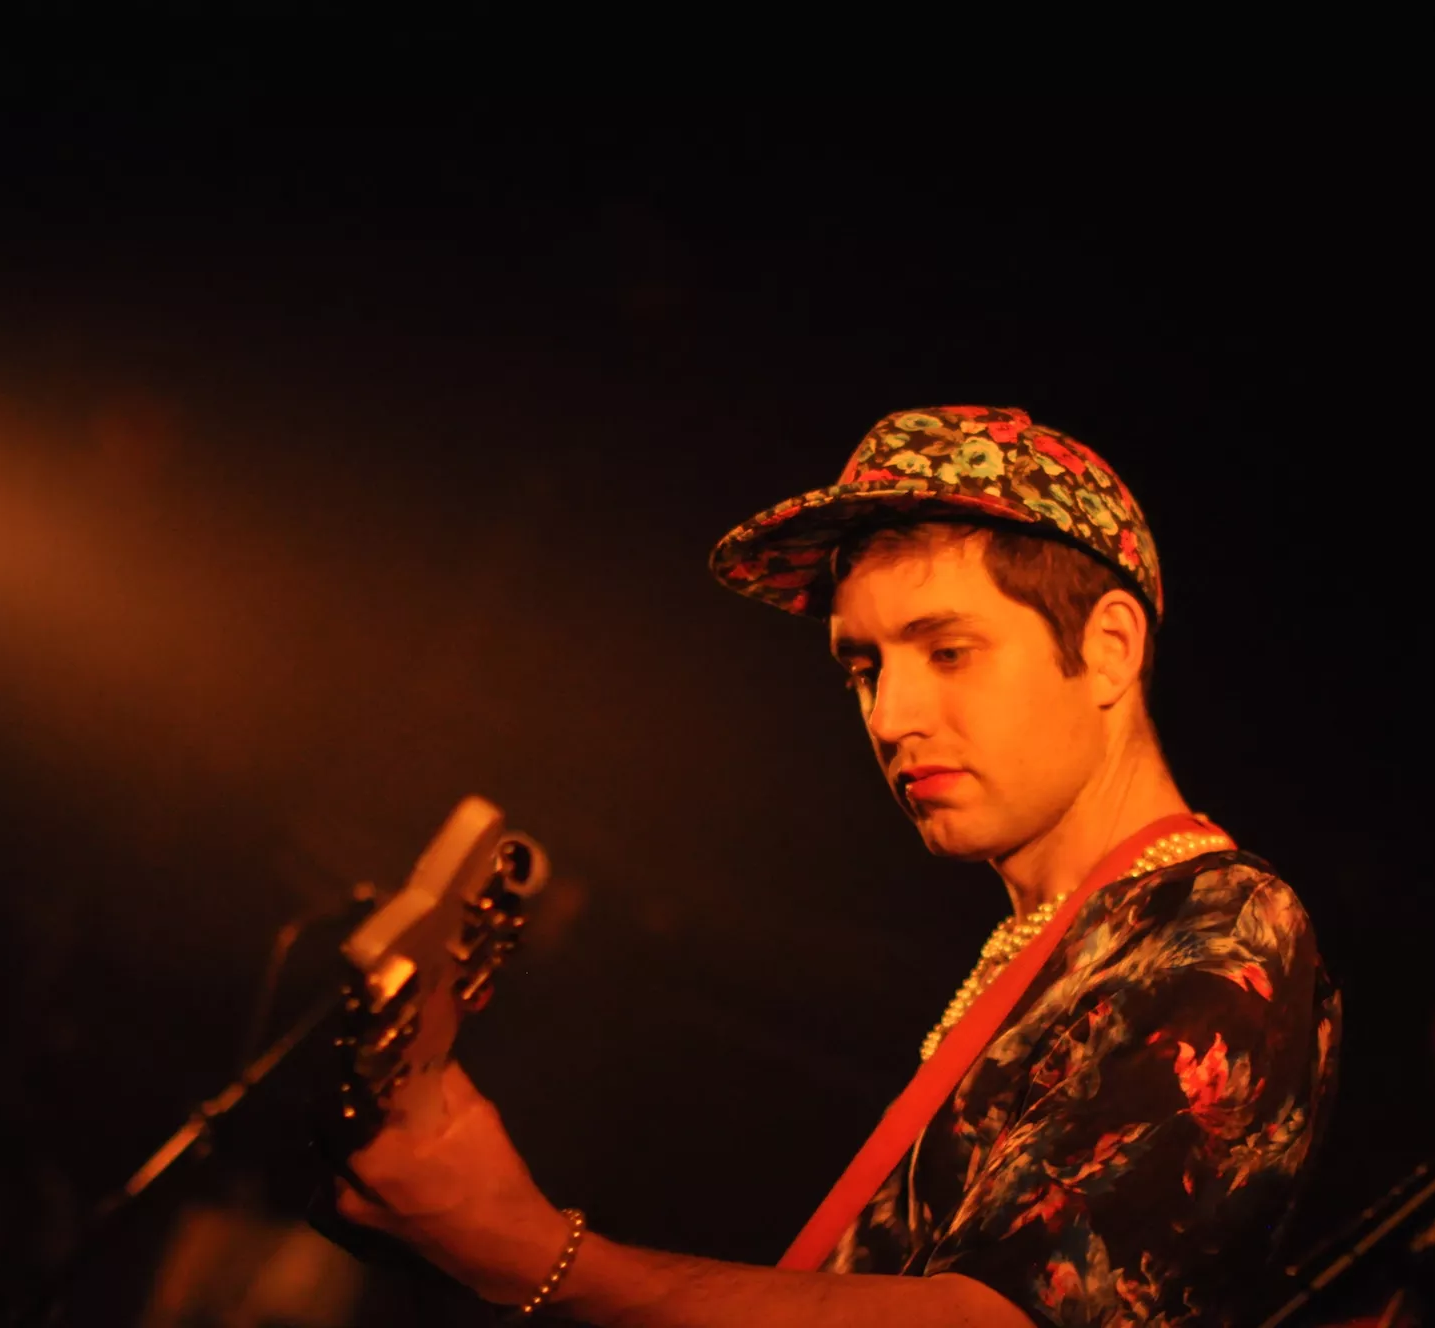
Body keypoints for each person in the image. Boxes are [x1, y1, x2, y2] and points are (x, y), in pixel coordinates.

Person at [332, 406, 1341, 1325]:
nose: (890, 717)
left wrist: (538, 1255)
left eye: (947, 651)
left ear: (1110, 646)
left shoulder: (1226, 925)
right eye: (864, 668)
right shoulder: (1066, 936)